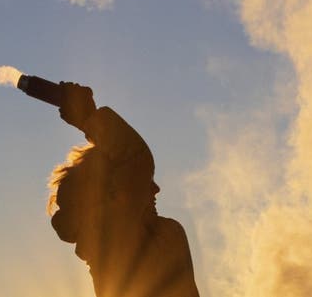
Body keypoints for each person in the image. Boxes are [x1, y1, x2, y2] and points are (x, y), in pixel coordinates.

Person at [47, 82, 201, 297]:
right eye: (145, 181)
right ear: (111, 190)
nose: (156, 189)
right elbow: (137, 159)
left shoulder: (148, 232)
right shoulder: (110, 230)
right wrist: (87, 116)